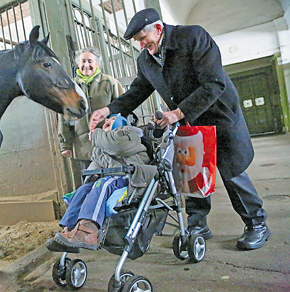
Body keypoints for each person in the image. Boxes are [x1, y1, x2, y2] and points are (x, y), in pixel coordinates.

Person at [89, 8, 270, 250]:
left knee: (232, 172)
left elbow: (214, 83)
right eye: (137, 41)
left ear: (159, 28)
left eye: (143, 38)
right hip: (188, 121)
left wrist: (176, 113)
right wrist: (110, 110)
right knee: (191, 176)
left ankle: (257, 223)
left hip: (219, 115)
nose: (142, 45)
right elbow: (138, 90)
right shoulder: (145, 60)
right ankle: (198, 226)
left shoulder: (193, 37)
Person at [51, 114, 151, 250]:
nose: (107, 120)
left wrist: (96, 133)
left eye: (113, 119)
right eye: (107, 119)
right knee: (85, 189)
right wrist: (92, 175)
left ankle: (88, 231)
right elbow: (96, 161)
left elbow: (117, 146)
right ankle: (69, 229)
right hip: (111, 178)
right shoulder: (103, 144)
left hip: (130, 178)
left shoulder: (127, 133)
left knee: (103, 183)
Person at [58, 47, 124, 184]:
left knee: (110, 182)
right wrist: (66, 144)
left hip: (108, 145)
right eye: (83, 61)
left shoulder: (110, 83)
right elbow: (64, 117)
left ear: (97, 64)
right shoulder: (69, 87)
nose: (86, 65)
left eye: (90, 61)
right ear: (78, 64)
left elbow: (123, 109)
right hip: (82, 147)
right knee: (87, 184)